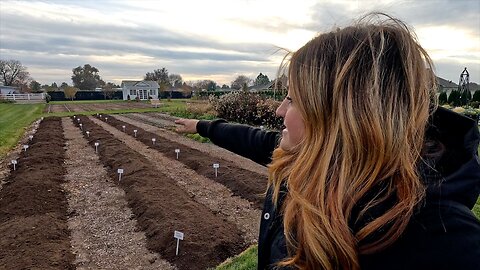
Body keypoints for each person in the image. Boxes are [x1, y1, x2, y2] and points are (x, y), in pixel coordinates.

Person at [175, 13, 480, 270]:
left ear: (342, 116)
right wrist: (202, 125)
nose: (280, 110)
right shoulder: (312, 160)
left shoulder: (443, 239)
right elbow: (255, 140)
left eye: (292, 99)